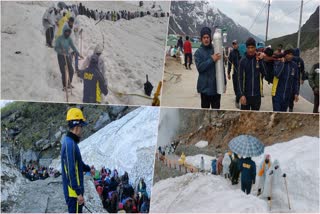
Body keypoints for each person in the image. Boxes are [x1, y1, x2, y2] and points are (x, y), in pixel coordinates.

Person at [61, 108, 91, 213]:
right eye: (81, 127)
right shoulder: (71, 145)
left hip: (72, 192)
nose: (82, 130)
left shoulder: (69, 142)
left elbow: (78, 163)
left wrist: (87, 168)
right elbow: (71, 170)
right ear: (77, 127)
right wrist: (78, 193)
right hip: (74, 194)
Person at [195, 27, 224, 109]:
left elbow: (221, 68)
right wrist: (212, 59)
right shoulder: (198, 53)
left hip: (216, 89)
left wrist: (224, 83)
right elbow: (200, 68)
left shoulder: (216, 50)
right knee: (205, 113)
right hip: (204, 89)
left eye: (207, 37)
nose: (206, 39)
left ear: (210, 38)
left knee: (216, 113)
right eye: (204, 37)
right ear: (201, 39)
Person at [238, 37, 266, 111]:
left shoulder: (258, 59)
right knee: (245, 120)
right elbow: (239, 79)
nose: (250, 50)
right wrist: (241, 95)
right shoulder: (242, 61)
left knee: (256, 120)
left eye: (252, 47)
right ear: (246, 48)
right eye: (249, 47)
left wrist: (261, 60)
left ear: (255, 47)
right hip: (246, 96)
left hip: (257, 96)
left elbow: (265, 73)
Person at [228, 40, 242, 108]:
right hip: (235, 73)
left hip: (241, 73)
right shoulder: (231, 53)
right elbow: (229, 63)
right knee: (235, 88)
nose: (234, 45)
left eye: (235, 44)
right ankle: (237, 96)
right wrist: (228, 73)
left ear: (237, 44)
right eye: (233, 44)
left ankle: (237, 100)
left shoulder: (240, 52)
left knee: (239, 87)